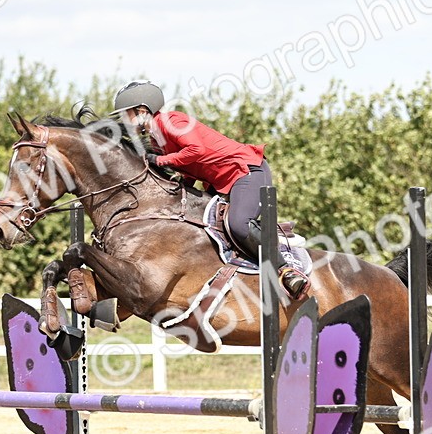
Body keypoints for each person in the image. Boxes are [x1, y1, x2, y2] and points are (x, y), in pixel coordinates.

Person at [111, 80, 309, 300]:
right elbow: (187, 169)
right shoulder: (156, 139)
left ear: (141, 111)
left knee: (239, 225)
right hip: (219, 182)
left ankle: (286, 269)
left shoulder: (170, 121)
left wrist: (160, 160)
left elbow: (196, 150)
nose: (123, 121)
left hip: (246, 172)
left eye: (126, 114)